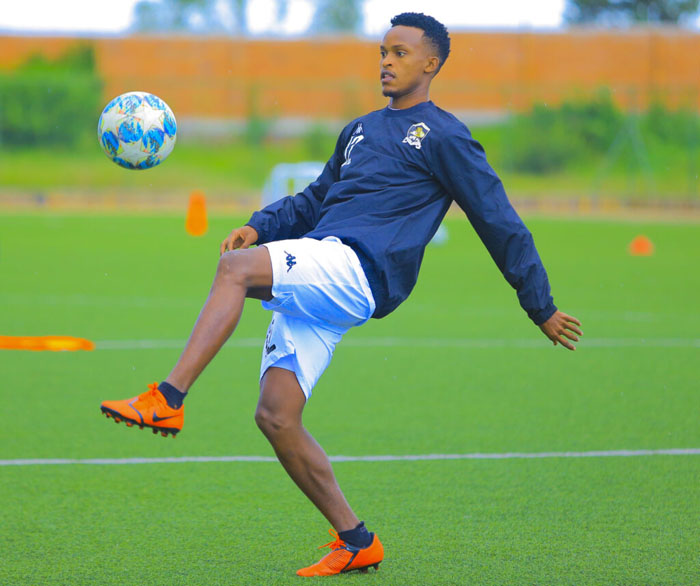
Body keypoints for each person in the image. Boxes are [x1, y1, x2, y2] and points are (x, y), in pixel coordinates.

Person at [100, 12, 583, 577]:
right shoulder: (358, 131)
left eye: (400, 53)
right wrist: (259, 225)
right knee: (276, 416)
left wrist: (539, 304)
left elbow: (497, 219)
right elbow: (314, 200)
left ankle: (167, 398)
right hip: (323, 267)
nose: (386, 62)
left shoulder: (445, 136)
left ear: (431, 64)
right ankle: (357, 540)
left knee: (234, 271)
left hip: (359, 269)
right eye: (383, 52)